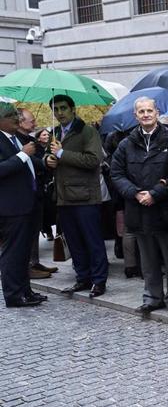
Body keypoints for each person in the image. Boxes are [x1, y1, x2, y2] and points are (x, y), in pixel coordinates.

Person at [110, 97, 168, 316]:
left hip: (164, 210)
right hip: (138, 209)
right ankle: (152, 297)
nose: (145, 114)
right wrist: (134, 193)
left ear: (157, 112)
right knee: (148, 259)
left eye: (149, 110)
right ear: (135, 115)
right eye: (141, 111)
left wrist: (155, 193)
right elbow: (116, 173)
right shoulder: (126, 143)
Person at [45, 94, 109, 298]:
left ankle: (99, 281)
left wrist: (63, 154)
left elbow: (93, 160)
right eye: (55, 109)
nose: (60, 113)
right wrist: (49, 160)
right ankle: (82, 278)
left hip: (85, 196)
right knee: (73, 241)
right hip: (63, 197)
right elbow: (49, 157)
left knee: (92, 240)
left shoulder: (87, 131)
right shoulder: (55, 132)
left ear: (73, 109)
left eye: (63, 108)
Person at [0, 101, 45, 308]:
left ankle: (26, 290)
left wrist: (44, 162)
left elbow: (29, 162)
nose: (17, 121)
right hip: (11, 207)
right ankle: (13, 295)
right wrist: (23, 154)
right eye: (12, 118)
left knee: (23, 252)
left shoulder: (14, 138)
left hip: (27, 203)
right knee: (13, 253)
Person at [17, 109, 57, 279]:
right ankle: (27, 266)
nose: (34, 123)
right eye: (31, 120)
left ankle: (34, 262)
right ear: (20, 122)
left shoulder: (31, 139)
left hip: (38, 191)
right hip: (24, 193)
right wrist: (43, 161)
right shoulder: (17, 141)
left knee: (35, 228)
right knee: (26, 232)